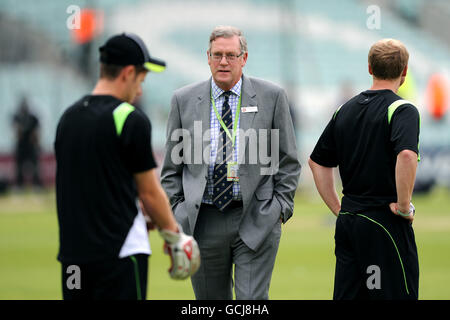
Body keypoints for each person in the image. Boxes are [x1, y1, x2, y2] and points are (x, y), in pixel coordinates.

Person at [54, 33, 199, 300]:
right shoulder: (130, 119)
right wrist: (175, 236)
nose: (140, 90)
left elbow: (87, 186)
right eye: (141, 80)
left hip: (73, 260)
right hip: (119, 254)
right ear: (128, 73)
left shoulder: (69, 117)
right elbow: (149, 192)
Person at [161, 25, 301, 300]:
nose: (223, 61)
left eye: (231, 55)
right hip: (203, 220)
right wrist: (179, 212)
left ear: (244, 58)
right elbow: (171, 169)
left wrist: (280, 208)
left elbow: (289, 159)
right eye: (217, 55)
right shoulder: (183, 100)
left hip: (256, 215)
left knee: (252, 301)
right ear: (208, 57)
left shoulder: (271, 97)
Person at [309, 39, 420, 300]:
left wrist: (339, 209)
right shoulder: (402, 109)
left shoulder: (344, 110)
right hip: (384, 223)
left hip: (349, 222)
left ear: (369, 68)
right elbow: (406, 154)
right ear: (404, 72)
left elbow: (317, 163)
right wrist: (404, 207)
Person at [12, 96, 42, 189]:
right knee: (19, 166)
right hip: (21, 145)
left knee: (35, 165)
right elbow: (17, 132)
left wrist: (37, 144)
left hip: (31, 144)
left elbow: (36, 133)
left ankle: (37, 184)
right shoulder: (17, 117)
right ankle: (19, 184)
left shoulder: (33, 118)